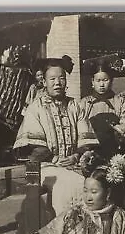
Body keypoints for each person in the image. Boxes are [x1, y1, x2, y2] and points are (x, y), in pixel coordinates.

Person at [13, 56, 97, 215]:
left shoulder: (74, 106)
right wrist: (55, 159)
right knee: (70, 184)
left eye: (62, 78)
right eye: (52, 79)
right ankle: (64, 230)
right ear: (44, 82)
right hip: (46, 166)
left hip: (75, 163)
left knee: (97, 183)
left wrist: (75, 156)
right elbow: (33, 147)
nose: (57, 82)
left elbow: (85, 139)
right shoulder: (35, 108)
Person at [80, 55, 125, 158]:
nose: (102, 84)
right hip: (91, 150)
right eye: (98, 81)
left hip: (114, 149)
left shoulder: (119, 101)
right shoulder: (85, 102)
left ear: (110, 81)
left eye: (105, 80)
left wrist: (115, 129)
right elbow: (81, 125)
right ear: (92, 82)